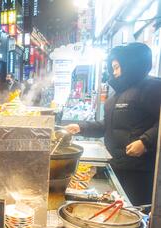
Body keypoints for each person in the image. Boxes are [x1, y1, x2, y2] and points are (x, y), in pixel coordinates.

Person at [66, 43, 161, 206]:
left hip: (139, 170)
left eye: (117, 67)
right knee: (119, 207)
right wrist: (81, 127)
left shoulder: (151, 87)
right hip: (118, 164)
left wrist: (146, 142)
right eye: (113, 68)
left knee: (135, 209)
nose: (115, 73)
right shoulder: (119, 93)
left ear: (131, 65)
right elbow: (107, 125)